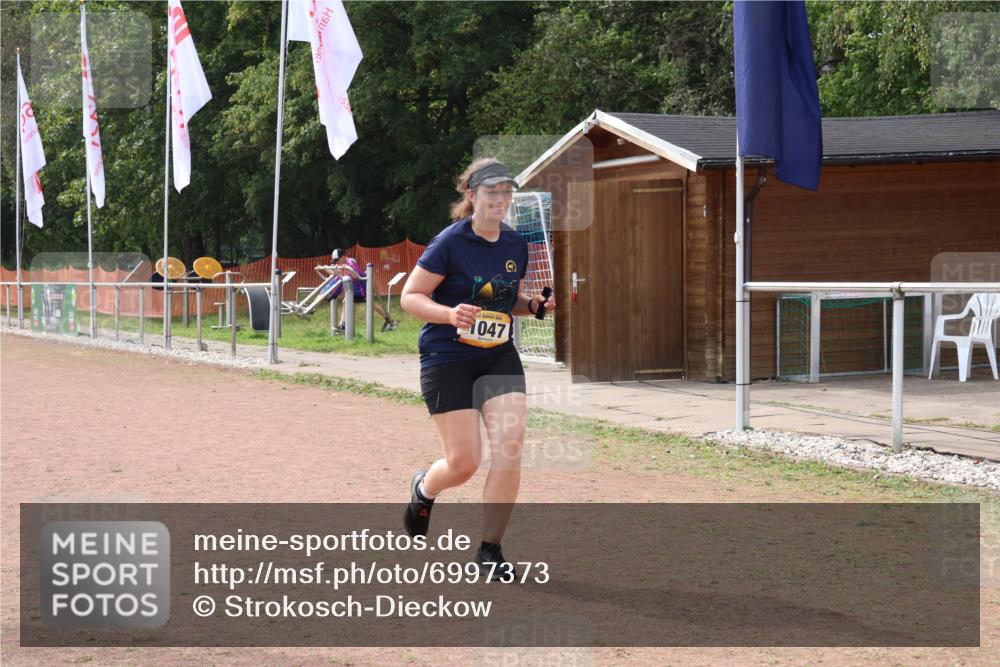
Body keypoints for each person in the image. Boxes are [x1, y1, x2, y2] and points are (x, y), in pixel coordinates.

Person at [399, 158, 555, 580]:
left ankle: (489, 552)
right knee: (464, 463)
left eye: (507, 192)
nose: (500, 200)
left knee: (510, 445)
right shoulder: (449, 242)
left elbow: (509, 300)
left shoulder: (515, 244)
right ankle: (425, 488)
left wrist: (534, 306)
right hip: (447, 358)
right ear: (472, 196)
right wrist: (450, 314)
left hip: (496, 355)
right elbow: (410, 297)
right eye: (492, 192)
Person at [327, 249, 397, 332]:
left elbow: (355, 276)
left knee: (368, 304)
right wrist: (327, 268)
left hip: (361, 288)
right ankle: (343, 325)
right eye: (335, 261)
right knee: (348, 301)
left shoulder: (350, 262)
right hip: (357, 288)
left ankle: (390, 321)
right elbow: (337, 274)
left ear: (343, 257)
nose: (337, 263)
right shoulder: (343, 264)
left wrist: (345, 269)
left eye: (338, 260)